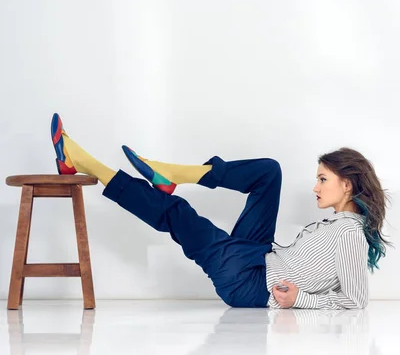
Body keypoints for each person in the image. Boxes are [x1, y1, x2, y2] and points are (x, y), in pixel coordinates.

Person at [51, 113, 393, 309]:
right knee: (269, 172)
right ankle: (175, 173)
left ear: (347, 184)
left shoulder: (349, 233)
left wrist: (302, 299)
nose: (315, 187)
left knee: (177, 213)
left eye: (323, 179)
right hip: (260, 255)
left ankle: (82, 162)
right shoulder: (338, 225)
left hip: (250, 283)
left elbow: (355, 300)